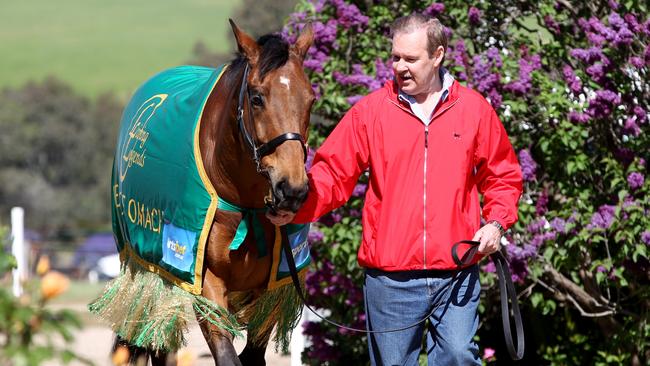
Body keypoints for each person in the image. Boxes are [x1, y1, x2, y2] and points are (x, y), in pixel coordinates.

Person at [267, 13, 522, 366]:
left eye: (411, 59)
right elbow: (332, 175)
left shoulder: (474, 110)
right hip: (391, 280)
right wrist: (297, 208)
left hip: (457, 271)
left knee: (459, 356)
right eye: (395, 57)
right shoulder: (370, 113)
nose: (400, 66)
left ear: (438, 56)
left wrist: (495, 224)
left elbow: (503, 175)